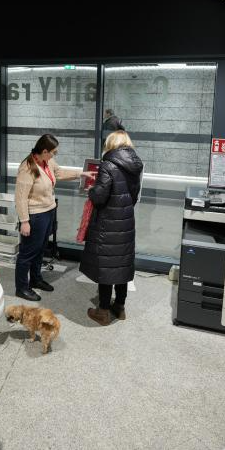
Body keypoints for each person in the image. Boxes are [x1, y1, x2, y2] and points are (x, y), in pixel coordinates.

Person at [13, 133, 94, 301]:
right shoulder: (27, 168)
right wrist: (24, 221)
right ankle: (21, 288)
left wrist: (82, 174)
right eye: (53, 152)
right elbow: (20, 197)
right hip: (35, 215)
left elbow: (59, 173)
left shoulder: (47, 161)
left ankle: (35, 279)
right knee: (27, 253)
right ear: (44, 151)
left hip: (48, 211)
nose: (54, 155)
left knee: (40, 249)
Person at [81, 131, 143, 325]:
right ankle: (120, 307)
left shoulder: (108, 164)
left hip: (107, 223)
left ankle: (103, 311)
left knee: (106, 266)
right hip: (125, 220)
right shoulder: (135, 165)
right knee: (121, 264)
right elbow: (133, 196)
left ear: (111, 144)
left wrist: (91, 190)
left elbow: (100, 195)